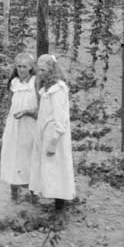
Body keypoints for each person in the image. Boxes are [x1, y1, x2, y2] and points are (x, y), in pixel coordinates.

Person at [29, 54, 75, 212]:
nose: (40, 73)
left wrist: (54, 140)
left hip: (55, 134)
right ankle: (56, 203)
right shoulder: (47, 88)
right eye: (38, 69)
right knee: (50, 170)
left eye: (43, 70)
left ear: (51, 70)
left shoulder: (58, 89)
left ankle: (60, 206)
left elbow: (60, 117)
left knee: (57, 168)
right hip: (46, 132)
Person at [0, 52, 38, 202]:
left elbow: (41, 105)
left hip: (30, 124)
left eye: (25, 67)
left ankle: (33, 191)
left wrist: (29, 112)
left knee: (30, 155)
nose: (21, 69)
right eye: (19, 66)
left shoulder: (35, 82)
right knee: (13, 155)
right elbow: (9, 104)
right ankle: (14, 191)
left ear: (30, 68)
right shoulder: (14, 82)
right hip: (14, 124)